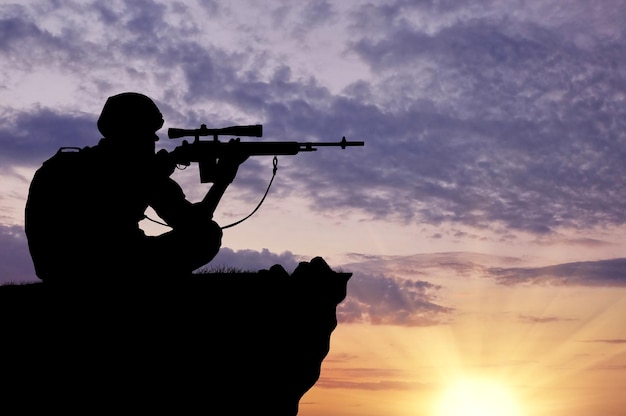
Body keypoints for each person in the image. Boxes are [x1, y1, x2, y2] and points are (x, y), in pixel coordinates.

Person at [25, 92, 246, 283]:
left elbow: (189, 220)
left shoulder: (65, 164)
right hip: (105, 266)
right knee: (207, 234)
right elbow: (193, 224)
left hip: (60, 271)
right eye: (148, 132)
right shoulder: (133, 171)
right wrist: (222, 180)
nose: (155, 138)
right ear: (130, 131)